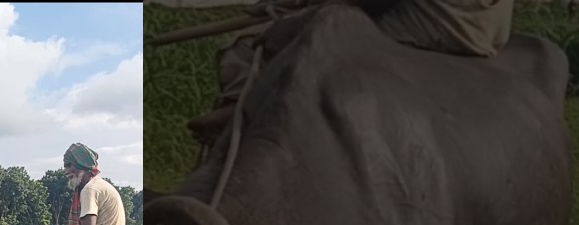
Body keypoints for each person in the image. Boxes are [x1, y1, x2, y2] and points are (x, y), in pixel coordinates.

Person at [188, 0, 515, 145]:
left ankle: (238, 122)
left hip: (445, 19)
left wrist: (301, 15)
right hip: (489, 19)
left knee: (261, 47)